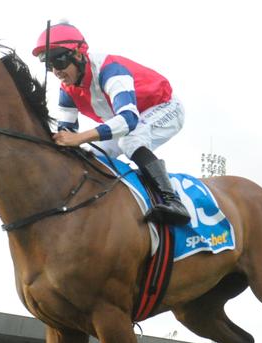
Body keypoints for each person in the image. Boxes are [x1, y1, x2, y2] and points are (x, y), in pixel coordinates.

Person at [32, 22, 190, 226]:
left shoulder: (110, 69)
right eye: (49, 65)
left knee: (130, 141)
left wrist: (79, 138)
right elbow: (67, 134)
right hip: (127, 121)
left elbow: (128, 120)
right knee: (90, 153)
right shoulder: (67, 90)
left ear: (79, 55)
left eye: (59, 62)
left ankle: (173, 201)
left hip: (165, 108)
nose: (56, 71)